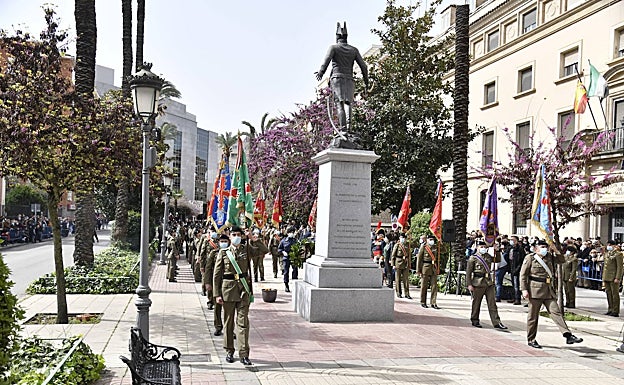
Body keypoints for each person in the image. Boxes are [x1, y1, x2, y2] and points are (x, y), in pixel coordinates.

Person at [520, 240, 583, 348]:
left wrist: (555, 250)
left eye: (546, 247)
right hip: (535, 291)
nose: (544, 249)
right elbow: (523, 275)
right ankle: (531, 339)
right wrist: (524, 290)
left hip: (549, 290)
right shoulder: (530, 258)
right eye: (542, 247)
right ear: (536, 248)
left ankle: (567, 335)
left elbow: (562, 260)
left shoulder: (550, 256)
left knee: (556, 312)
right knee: (533, 317)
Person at [315, 21, 368, 148]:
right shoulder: (354, 50)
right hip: (349, 79)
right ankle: (348, 129)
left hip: (337, 78)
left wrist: (321, 72)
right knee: (349, 103)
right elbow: (364, 66)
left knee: (340, 104)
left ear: (337, 37)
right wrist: (366, 80)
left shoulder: (333, 48)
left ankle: (343, 130)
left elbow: (326, 61)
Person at [213, 226, 254, 366]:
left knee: (243, 324)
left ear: (242, 236)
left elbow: (264, 251)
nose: (236, 236)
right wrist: (216, 294)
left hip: (243, 291)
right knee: (229, 323)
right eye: (233, 234)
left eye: (238, 234)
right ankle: (229, 350)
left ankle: (244, 353)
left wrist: (253, 239)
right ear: (229, 237)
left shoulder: (246, 249)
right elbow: (217, 275)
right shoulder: (224, 253)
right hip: (228, 291)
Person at [466, 241, 507, 329]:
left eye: (485, 247)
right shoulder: (473, 258)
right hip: (478, 282)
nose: (483, 248)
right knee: (476, 303)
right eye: (481, 247)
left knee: (492, 303)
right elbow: (468, 272)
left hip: (488, 282)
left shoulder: (488, 256)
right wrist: (469, 284)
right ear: (477, 247)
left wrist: (498, 251)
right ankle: (475, 319)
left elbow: (497, 260)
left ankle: (496, 322)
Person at [416, 235, 440, 309]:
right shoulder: (424, 247)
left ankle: (433, 302)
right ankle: (423, 301)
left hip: (433, 268)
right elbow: (419, 259)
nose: (432, 241)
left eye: (433, 239)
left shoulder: (436, 247)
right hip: (425, 267)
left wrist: (440, 243)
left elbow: (444, 250)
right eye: (430, 239)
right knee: (424, 286)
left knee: (434, 286)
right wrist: (418, 270)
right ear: (427, 240)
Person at [602, 240, 623, 317]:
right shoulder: (608, 253)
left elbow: (620, 267)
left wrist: (617, 277)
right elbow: (605, 267)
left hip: (613, 277)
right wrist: (603, 277)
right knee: (608, 294)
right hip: (607, 277)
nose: (608, 246)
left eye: (610, 245)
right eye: (608, 244)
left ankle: (615, 310)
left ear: (614, 245)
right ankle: (610, 309)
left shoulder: (618, 254)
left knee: (615, 294)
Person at [505, 235, 525, 305]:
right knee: (513, 284)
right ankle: (513, 297)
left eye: (513, 240)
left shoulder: (520, 249)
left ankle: (517, 299)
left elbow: (521, 261)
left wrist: (517, 269)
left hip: (517, 269)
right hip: (511, 268)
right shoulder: (510, 248)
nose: (511, 241)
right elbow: (507, 257)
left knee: (516, 285)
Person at [278, 226, 298, 292]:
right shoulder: (283, 241)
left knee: (295, 270)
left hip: (294, 258)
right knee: (286, 272)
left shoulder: (295, 240)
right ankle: (286, 285)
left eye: (293, 232)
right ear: (288, 233)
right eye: (291, 232)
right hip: (286, 258)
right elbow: (279, 249)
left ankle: (295, 283)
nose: (292, 233)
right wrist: (283, 252)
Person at [391, 232, 411, 299]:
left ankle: (407, 293)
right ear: (399, 238)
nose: (403, 239)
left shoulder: (407, 245)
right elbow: (393, 255)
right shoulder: (397, 245)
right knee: (398, 279)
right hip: (398, 262)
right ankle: (398, 293)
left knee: (406, 279)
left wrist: (409, 264)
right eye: (401, 238)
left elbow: (409, 255)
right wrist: (393, 264)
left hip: (405, 263)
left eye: (404, 238)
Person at [562, 245, 578, 309]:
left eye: (569, 251)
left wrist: (571, 277)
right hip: (564, 276)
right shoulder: (565, 257)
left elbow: (574, 269)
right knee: (566, 290)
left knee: (571, 291)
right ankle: (567, 302)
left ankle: (572, 303)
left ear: (572, 252)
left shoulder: (574, 259)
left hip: (569, 277)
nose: (567, 252)